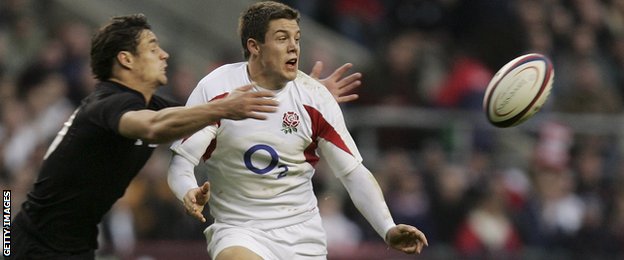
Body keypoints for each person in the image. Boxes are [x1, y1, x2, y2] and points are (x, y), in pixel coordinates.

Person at [10, 13, 362, 259]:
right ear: (125, 60)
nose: (164, 54)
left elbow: (230, 112)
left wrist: (308, 94)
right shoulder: (106, 103)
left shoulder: (153, 103)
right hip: (32, 243)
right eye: (151, 48)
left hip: (74, 244)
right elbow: (152, 127)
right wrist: (221, 109)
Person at [167, 2, 428, 259]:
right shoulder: (217, 89)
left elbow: (352, 173)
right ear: (254, 46)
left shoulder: (315, 98)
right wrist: (188, 191)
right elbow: (182, 163)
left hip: (301, 236)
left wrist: (388, 228)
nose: (293, 46)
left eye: (297, 38)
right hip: (239, 229)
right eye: (282, 38)